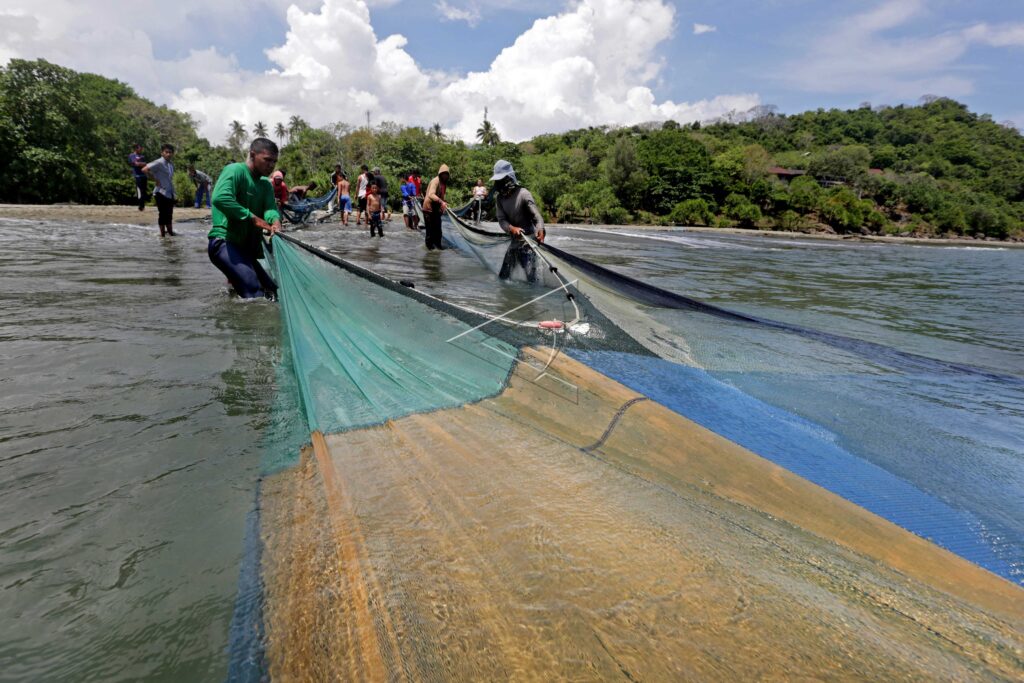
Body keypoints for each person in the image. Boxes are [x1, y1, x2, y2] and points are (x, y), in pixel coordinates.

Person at [207, 137, 282, 299]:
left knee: (272, 291)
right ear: (252, 155)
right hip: (223, 242)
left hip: (245, 249)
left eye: (274, 162)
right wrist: (253, 218)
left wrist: (275, 221)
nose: (271, 165)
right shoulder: (235, 170)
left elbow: (270, 209)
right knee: (254, 290)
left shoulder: (265, 185)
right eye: (267, 160)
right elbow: (220, 198)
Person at [491, 159, 546, 282]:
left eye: (501, 180)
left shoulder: (524, 194)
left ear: (509, 179)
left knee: (532, 280)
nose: (499, 184)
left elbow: (537, 216)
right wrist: (511, 228)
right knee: (503, 278)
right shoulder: (500, 199)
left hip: (528, 243)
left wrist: (541, 229)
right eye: (497, 181)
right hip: (514, 242)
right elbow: (501, 220)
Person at [144, 144, 176, 237]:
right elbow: (145, 169)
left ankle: (170, 233)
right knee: (162, 214)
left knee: (169, 215)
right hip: (160, 192)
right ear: (162, 153)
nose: (168, 154)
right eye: (166, 152)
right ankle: (162, 235)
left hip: (169, 192)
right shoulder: (158, 162)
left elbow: (169, 179)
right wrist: (155, 179)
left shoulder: (170, 164)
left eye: (170, 152)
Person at [422, 164, 449, 250]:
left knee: (438, 231)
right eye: (443, 173)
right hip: (428, 209)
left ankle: (438, 248)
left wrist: (443, 204)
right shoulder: (435, 181)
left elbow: (442, 196)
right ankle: (429, 251)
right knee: (429, 232)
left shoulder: (444, 184)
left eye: (446, 174)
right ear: (440, 174)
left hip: (436, 209)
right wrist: (441, 202)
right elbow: (431, 194)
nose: (445, 175)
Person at [128, 143, 148, 211]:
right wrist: (141, 164)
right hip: (137, 175)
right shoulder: (132, 155)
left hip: (144, 175)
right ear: (136, 148)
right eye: (140, 148)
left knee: (144, 191)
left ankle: (142, 205)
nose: (141, 149)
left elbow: (146, 164)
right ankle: (140, 206)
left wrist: (140, 164)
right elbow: (135, 164)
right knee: (139, 191)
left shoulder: (142, 156)